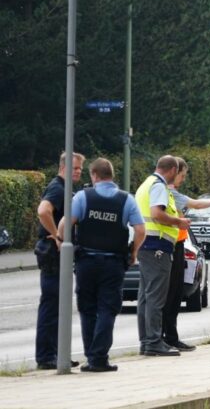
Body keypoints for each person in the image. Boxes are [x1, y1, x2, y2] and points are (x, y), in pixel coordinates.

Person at [57, 158, 144, 372]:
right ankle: (99, 358)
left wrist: (62, 243)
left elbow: (64, 224)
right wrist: (133, 251)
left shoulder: (83, 197)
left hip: (86, 261)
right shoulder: (127, 200)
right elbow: (141, 230)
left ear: (94, 175)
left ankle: (92, 356)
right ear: (111, 175)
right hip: (113, 263)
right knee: (108, 309)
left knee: (87, 309)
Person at [161, 157, 210, 352]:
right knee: (170, 295)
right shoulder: (168, 194)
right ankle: (166, 338)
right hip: (170, 246)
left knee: (175, 294)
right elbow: (195, 204)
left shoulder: (170, 193)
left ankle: (170, 337)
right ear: (174, 172)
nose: (183, 179)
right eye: (182, 175)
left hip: (178, 245)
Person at [135, 155, 190, 356]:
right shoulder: (159, 186)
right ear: (173, 171)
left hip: (145, 245)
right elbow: (157, 214)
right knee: (156, 297)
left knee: (145, 296)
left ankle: (146, 341)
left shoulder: (145, 184)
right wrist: (179, 222)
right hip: (157, 245)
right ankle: (154, 341)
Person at [33, 151, 85, 370]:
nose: (78, 173)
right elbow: (43, 211)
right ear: (63, 167)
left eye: (81, 169)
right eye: (75, 169)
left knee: (59, 305)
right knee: (52, 304)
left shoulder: (66, 188)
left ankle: (57, 353)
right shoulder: (58, 187)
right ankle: (46, 356)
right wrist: (57, 235)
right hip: (53, 254)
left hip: (57, 254)